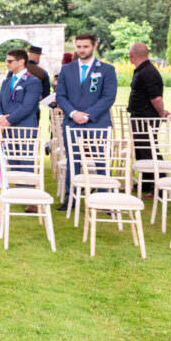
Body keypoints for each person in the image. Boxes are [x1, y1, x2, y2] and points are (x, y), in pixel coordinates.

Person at [54, 33, 118, 211]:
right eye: (79, 46)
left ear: (94, 47)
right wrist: (73, 113)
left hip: (97, 123)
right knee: (73, 161)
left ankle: (106, 200)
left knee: (101, 161)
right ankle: (71, 200)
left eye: (85, 47)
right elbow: (60, 95)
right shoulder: (66, 70)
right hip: (72, 123)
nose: (81, 50)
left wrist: (88, 115)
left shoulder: (107, 70)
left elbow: (108, 97)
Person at [127, 42, 169, 164]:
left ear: (131, 55)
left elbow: (156, 98)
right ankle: (146, 181)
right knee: (142, 150)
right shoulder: (144, 70)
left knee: (147, 150)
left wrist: (161, 113)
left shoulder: (147, 72)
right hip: (140, 117)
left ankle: (158, 178)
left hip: (145, 118)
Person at [0, 49, 43, 130]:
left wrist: (7, 122)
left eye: (10, 61)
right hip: (5, 132)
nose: (7, 64)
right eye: (6, 61)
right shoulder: (6, 82)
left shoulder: (34, 82)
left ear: (21, 62)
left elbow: (27, 107)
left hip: (25, 132)